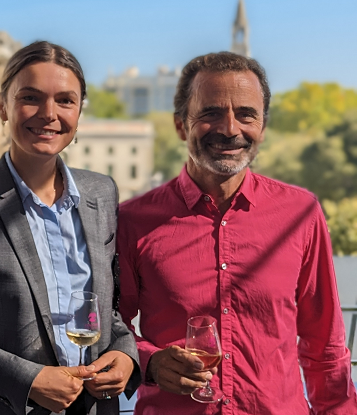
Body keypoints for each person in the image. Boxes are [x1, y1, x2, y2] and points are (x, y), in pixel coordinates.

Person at [118, 51, 357, 415]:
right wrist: (149, 361)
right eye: (210, 112)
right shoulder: (133, 221)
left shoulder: (301, 213)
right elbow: (107, 328)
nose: (230, 128)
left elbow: (323, 343)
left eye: (246, 114)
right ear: (181, 125)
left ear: (262, 126)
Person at [0, 41, 140, 415]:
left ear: (80, 111)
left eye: (65, 100)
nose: (49, 114)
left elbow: (107, 312)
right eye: (31, 97)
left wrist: (126, 356)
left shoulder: (101, 193)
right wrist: (28, 381)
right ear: (4, 105)